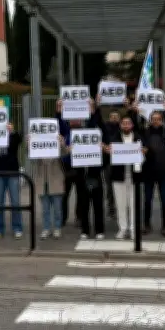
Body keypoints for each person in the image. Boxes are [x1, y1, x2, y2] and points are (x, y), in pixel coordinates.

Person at [59, 98, 109, 239]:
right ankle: (85, 230)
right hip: (81, 174)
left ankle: (99, 230)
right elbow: (61, 127)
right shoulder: (75, 135)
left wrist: (94, 109)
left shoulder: (94, 134)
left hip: (95, 173)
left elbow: (97, 125)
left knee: (98, 203)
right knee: (84, 204)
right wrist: (59, 111)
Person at [133, 102, 165, 236]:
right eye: (153, 119)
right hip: (148, 172)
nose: (156, 121)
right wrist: (136, 111)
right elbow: (135, 128)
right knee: (147, 200)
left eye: (158, 119)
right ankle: (146, 224)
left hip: (163, 172)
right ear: (150, 120)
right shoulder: (144, 132)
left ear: (162, 120)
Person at [104, 112, 144, 240]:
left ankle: (133, 229)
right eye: (124, 123)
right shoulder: (114, 139)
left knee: (133, 204)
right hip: (118, 176)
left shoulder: (138, 138)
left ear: (132, 125)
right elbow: (109, 156)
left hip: (134, 176)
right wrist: (107, 151)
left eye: (128, 123)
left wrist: (143, 152)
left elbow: (143, 157)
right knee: (120, 204)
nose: (126, 125)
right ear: (120, 125)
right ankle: (122, 228)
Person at [0, 123, 23, 239]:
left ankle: (17, 228)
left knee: (15, 202)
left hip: (12, 172)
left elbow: (19, 140)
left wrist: (12, 131)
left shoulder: (13, 136)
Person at [32, 133, 67, 239]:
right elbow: (30, 157)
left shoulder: (56, 143)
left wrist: (61, 143)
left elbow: (65, 153)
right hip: (42, 181)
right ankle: (46, 228)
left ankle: (57, 228)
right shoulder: (37, 146)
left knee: (57, 208)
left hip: (55, 180)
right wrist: (30, 144)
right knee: (45, 209)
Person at [103, 110, 121, 218]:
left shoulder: (123, 128)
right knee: (109, 187)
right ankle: (111, 208)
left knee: (120, 186)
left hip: (120, 162)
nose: (114, 118)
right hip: (108, 162)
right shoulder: (105, 129)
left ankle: (120, 207)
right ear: (109, 118)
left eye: (116, 116)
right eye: (112, 116)